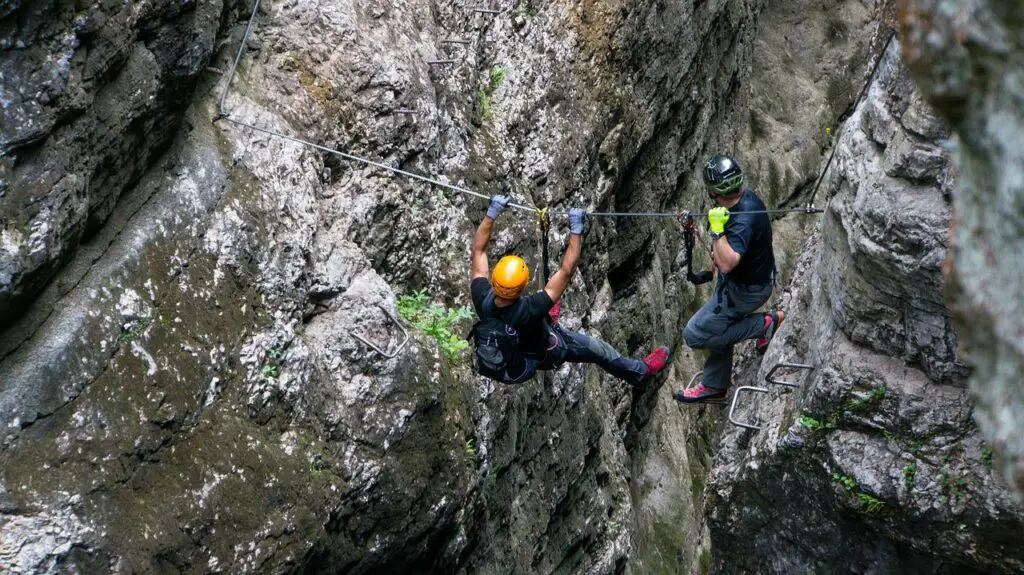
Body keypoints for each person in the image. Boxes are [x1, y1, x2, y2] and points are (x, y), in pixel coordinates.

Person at [470, 195, 670, 385]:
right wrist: (576, 230)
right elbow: (567, 271)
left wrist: (491, 214)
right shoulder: (530, 308)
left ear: (494, 279)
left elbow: (479, 251)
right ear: (522, 287)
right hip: (549, 352)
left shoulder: (482, 297)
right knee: (599, 350)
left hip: (519, 348)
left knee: (547, 300)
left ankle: (549, 320)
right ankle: (639, 372)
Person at [675, 154, 783, 403]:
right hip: (746, 283)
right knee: (715, 324)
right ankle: (715, 385)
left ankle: (764, 325)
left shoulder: (744, 219)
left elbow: (726, 263)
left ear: (713, 191)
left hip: (746, 290)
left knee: (695, 334)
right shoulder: (742, 200)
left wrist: (716, 230)